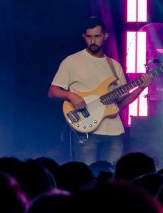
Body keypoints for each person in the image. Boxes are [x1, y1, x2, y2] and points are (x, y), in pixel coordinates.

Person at [47, 17, 149, 166]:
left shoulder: (115, 66)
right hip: (86, 131)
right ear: (84, 37)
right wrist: (70, 95)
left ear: (105, 36)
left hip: (114, 133)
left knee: (111, 180)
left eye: (97, 36)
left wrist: (141, 88)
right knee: (87, 179)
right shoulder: (72, 61)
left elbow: (120, 104)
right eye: (89, 37)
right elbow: (52, 91)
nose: (93, 41)